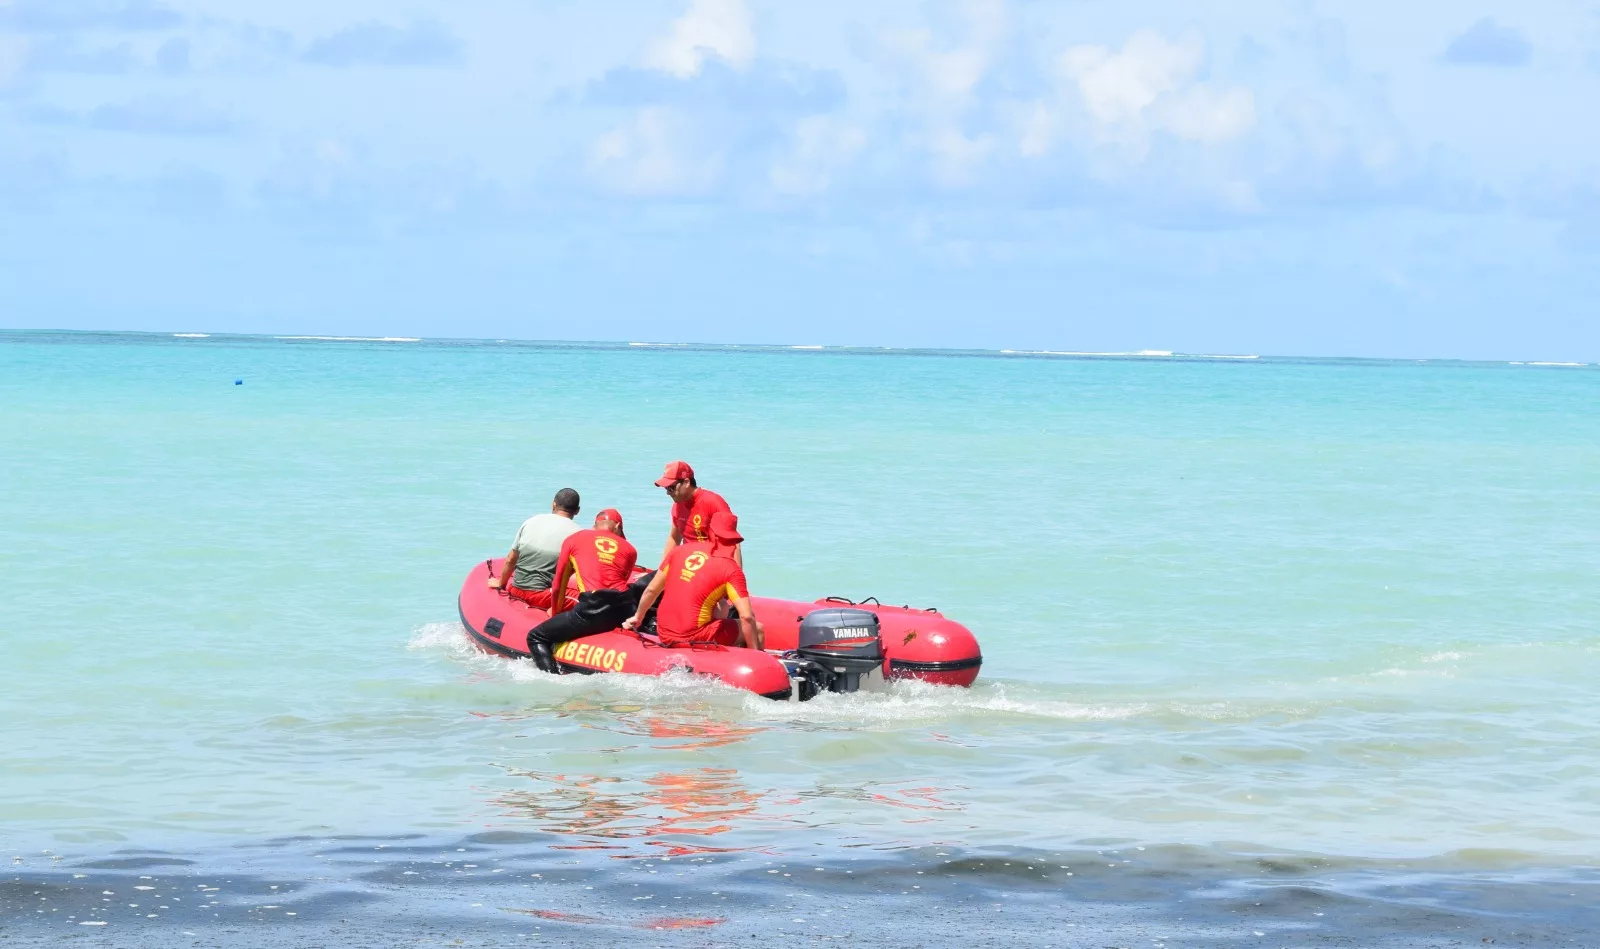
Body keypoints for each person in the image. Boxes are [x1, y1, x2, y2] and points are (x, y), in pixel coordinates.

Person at [523, 508, 643, 674]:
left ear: (594, 526)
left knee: (535, 637)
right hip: (626, 607)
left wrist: (556, 613)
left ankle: (553, 681)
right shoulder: (630, 549)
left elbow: (558, 584)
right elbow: (618, 580)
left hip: (593, 610)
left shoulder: (574, 539)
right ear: (617, 526)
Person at [624, 511, 762, 650]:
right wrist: (754, 653)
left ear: (709, 532)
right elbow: (747, 617)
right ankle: (754, 663)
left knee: (718, 608)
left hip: (663, 632)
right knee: (758, 629)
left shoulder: (678, 551)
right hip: (692, 636)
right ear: (734, 541)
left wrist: (638, 617)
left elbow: (652, 590)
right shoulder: (731, 569)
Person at [488, 488, 583, 610]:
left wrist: (501, 583)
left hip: (515, 589)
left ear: (553, 504)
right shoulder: (579, 534)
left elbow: (510, 559)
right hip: (541, 596)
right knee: (586, 600)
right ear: (577, 511)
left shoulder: (531, 521)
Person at [653, 460, 740, 566]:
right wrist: (661, 571)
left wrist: (735, 577)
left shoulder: (713, 502)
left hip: (710, 566)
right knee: (641, 582)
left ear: (686, 483)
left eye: (671, 488)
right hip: (688, 564)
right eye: (666, 488)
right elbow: (674, 538)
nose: (667, 493)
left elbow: (732, 542)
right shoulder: (678, 506)